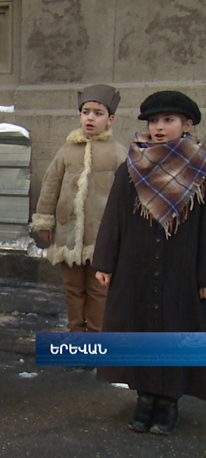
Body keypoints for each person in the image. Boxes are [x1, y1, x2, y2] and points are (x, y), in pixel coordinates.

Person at [93, 91, 206, 435]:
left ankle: (168, 401)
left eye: (168, 120)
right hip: (136, 266)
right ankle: (144, 398)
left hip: (182, 269)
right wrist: (105, 261)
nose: (159, 128)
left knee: (177, 326)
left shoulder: (200, 169)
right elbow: (114, 217)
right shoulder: (133, 166)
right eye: (154, 121)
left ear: (186, 125)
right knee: (139, 326)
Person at [30, 85, 126, 333]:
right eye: (86, 112)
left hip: (100, 237)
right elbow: (50, 187)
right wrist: (45, 223)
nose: (90, 117)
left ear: (110, 119)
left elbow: (126, 197)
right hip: (68, 234)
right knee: (72, 290)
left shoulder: (118, 154)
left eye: (98, 113)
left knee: (98, 290)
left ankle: (95, 336)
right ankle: (76, 333)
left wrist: (122, 235)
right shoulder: (66, 151)